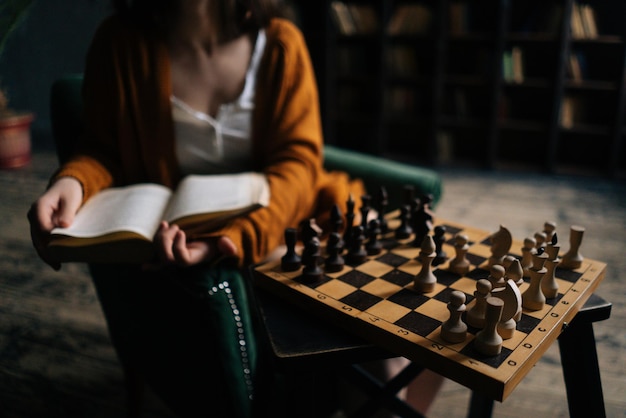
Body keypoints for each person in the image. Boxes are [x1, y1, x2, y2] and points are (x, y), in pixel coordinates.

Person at [28, 0, 442, 416]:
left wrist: (232, 239)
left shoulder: (280, 43)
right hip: (191, 236)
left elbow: (298, 164)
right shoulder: (119, 42)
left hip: (293, 220)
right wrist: (71, 182)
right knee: (372, 349)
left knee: (418, 320)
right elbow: (103, 148)